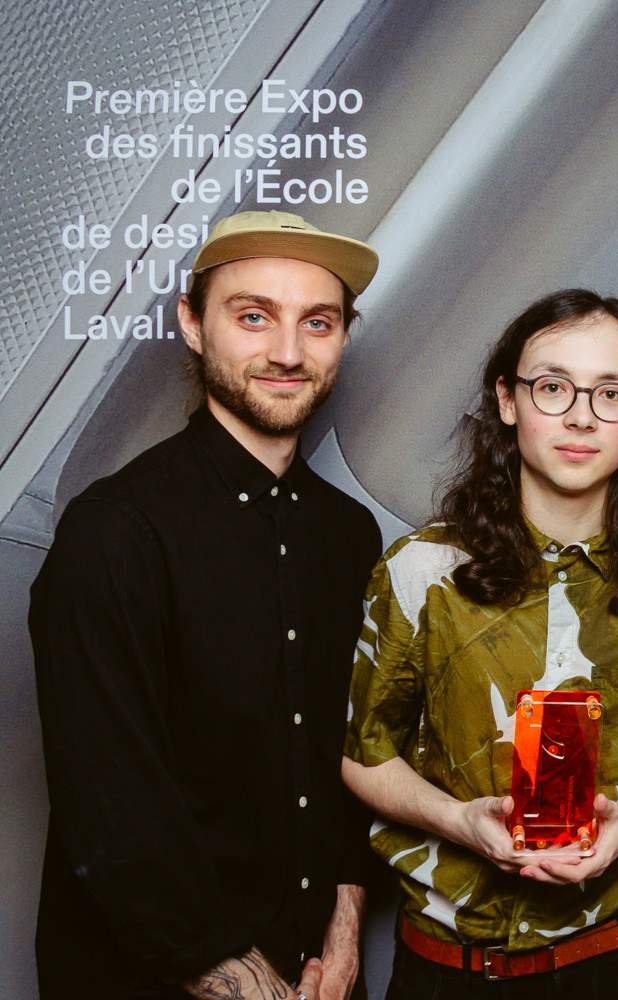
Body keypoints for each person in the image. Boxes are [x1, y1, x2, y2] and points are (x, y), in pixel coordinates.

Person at [30, 210, 383, 999]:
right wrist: (252, 987)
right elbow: (112, 802)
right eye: (253, 316)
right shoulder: (114, 530)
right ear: (192, 325)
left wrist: (345, 933)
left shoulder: (349, 534)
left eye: (317, 322)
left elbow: (356, 753)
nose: (287, 351)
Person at [341, 289, 618, 999]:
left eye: (610, 393)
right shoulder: (421, 572)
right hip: (447, 973)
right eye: (553, 387)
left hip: (611, 965)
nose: (581, 416)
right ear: (507, 399)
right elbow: (365, 756)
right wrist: (458, 821)